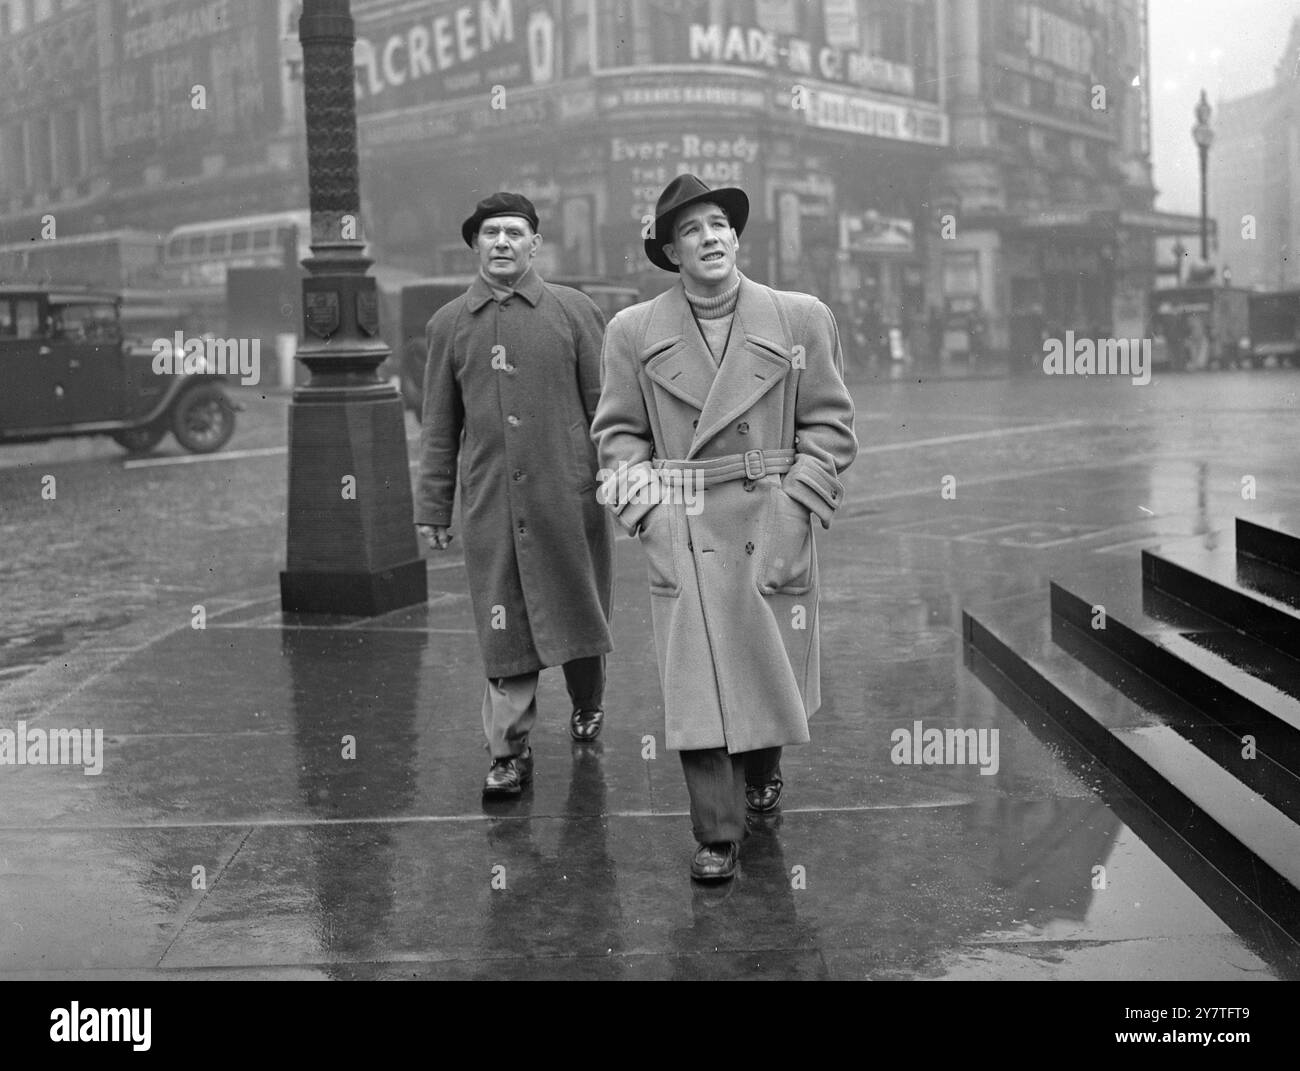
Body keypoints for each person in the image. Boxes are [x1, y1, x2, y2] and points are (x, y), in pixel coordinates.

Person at [591, 175, 858, 881]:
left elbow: (830, 426)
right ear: (670, 251)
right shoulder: (633, 332)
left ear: (736, 236)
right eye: (690, 230)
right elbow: (617, 438)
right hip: (683, 522)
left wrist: (798, 504)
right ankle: (715, 831)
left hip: (770, 512)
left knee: (765, 676)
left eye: (718, 224)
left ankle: (763, 767)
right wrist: (648, 514)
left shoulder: (800, 318)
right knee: (699, 682)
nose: (709, 237)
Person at [414, 192, 614, 797]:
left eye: (514, 232)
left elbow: (605, 410)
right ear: (475, 245)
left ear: (535, 244)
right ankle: (508, 752)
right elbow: (439, 427)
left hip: (567, 495)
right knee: (504, 623)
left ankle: (588, 701)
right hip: (491, 503)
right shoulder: (449, 325)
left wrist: (619, 483)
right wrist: (433, 506)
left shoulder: (574, 311)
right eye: (490, 233)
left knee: (578, 608)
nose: (502, 242)